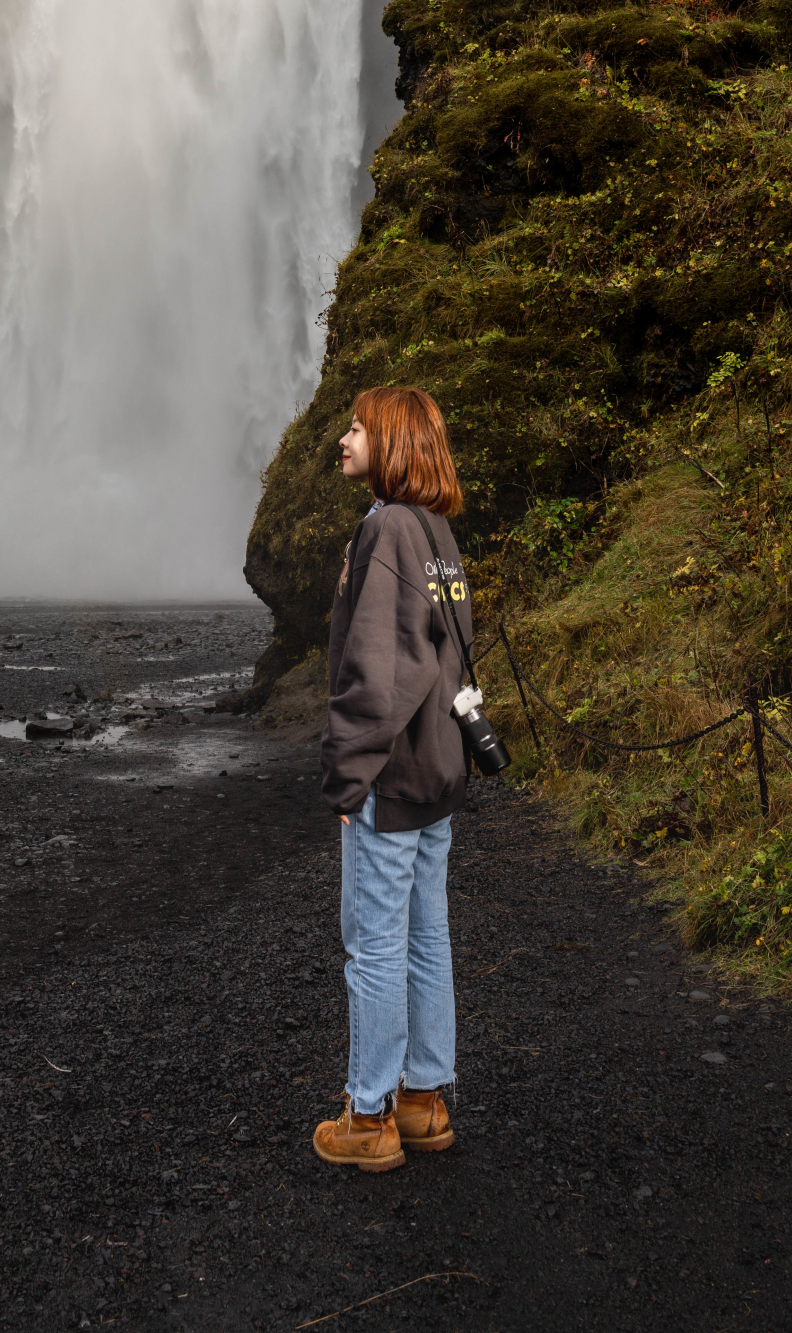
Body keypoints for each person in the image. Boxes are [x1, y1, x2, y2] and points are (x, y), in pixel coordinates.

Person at [312, 385, 471, 1174]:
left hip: (391, 771)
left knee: (372, 945)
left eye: (355, 428)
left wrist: (346, 778)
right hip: (438, 766)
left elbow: (378, 674)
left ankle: (368, 1114)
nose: (342, 439)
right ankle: (425, 1099)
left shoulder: (384, 531)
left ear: (392, 441)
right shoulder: (435, 532)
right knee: (424, 935)